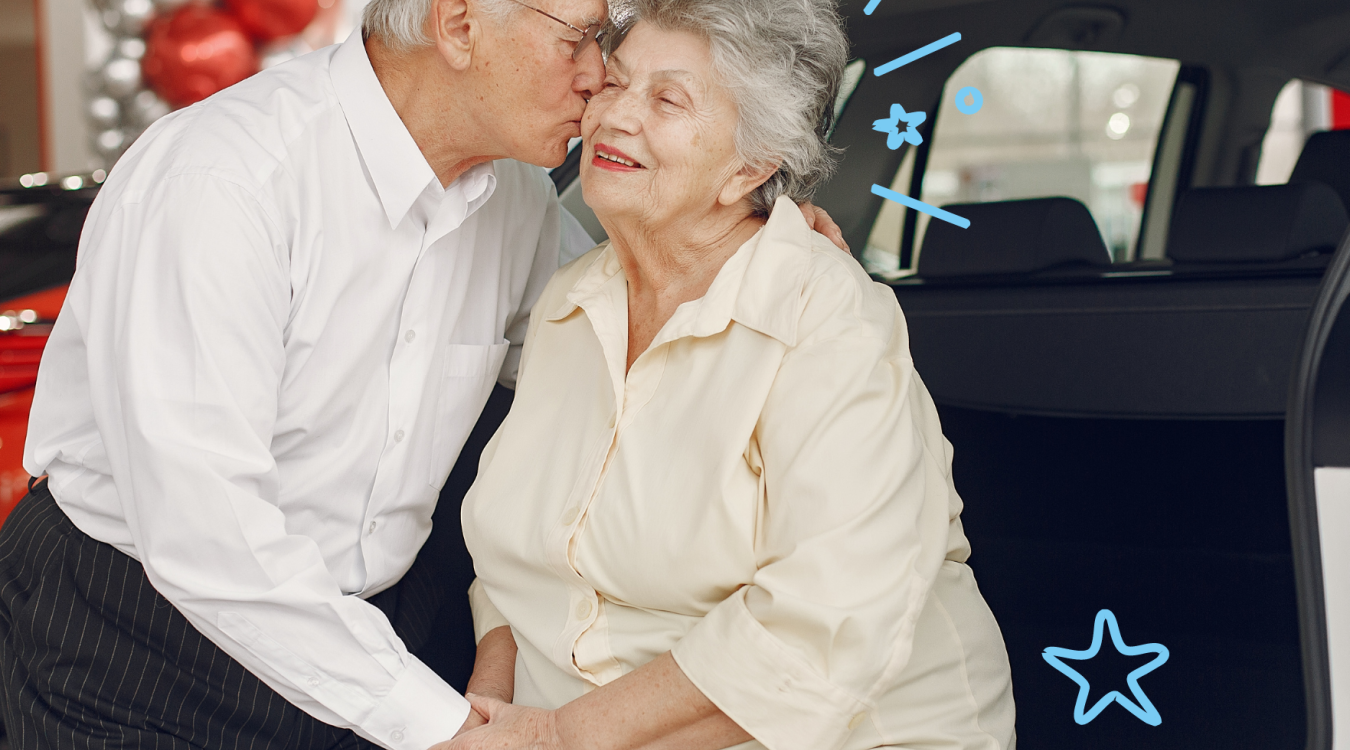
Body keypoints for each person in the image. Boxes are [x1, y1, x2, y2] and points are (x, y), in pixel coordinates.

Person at [0, 0, 846, 748]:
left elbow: (620, 323)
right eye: (585, 38)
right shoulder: (224, 178)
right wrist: (433, 723)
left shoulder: (515, 197)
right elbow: (202, 530)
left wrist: (759, 245)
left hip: (373, 629)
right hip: (137, 638)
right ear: (460, 23)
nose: (602, 79)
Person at [451, 0, 1018, 748]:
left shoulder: (827, 317)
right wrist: (484, 713)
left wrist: (557, 737)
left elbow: (820, 633)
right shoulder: (570, 302)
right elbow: (515, 568)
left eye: (667, 99)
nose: (615, 117)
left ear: (750, 166)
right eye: (614, 84)